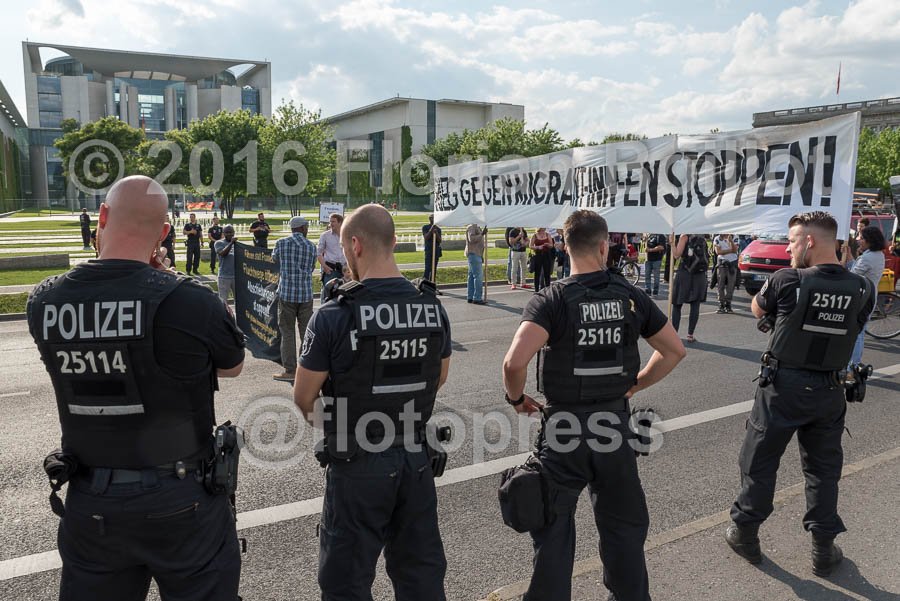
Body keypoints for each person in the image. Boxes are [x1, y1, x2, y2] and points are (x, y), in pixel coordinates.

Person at [26, 175, 245, 601]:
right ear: (163, 232)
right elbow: (232, 365)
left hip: (92, 499)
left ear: (102, 217)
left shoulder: (44, 302)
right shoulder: (190, 300)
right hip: (181, 497)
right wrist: (166, 278)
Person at [502, 210, 685, 601]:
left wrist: (516, 399)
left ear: (565, 246)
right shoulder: (630, 296)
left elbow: (514, 363)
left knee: (553, 528)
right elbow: (673, 350)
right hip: (614, 428)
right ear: (604, 247)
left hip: (564, 431)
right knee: (624, 530)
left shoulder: (551, 299)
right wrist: (636, 384)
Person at [293, 204, 452, 601]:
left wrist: (342, 425)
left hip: (358, 463)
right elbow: (438, 378)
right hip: (415, 459)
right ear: (394, 241)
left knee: (345, 583)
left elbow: (304, 397)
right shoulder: (432, 306)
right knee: (421, 578)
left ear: (355, 245)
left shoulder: (334, 315)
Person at [726, 211, 875, 578]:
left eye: (792, 241)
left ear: (809, 241)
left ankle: (745, 533)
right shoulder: (862, 288)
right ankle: (823, 549)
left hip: (783, 387)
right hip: (829, 389)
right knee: (823, 471)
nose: (788, 249)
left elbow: (758, 309)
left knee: (759, 462)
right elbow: (852, 328)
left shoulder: (787, 279)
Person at [271, 215, 316, 382]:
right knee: (306, 333)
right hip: (305, 294)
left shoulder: (281, 243)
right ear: (303, 228)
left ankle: (290, 370)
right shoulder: (311, 246)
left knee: (287, 332)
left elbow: (274, 259)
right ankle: (307, 368)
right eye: (307, 227)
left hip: (286, 294)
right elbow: (312, 267)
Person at [848, 226, 886, 368]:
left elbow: (852, 276)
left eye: (862, 238)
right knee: (860, 332)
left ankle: (854, 364)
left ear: (870, 240)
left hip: (862, 299)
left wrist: (848, 260)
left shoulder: (868, 257)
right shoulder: (877, 254)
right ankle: (855, 363)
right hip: (870, 296)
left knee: (856, 333)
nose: (859, 240)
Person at [671, 234, 709, 343]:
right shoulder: (701, 237)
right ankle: (690, 335)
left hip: (685, 273)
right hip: (699, 275)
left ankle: (674, 335)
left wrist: (672, 244)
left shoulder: (684, 236)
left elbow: (676, 255)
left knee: (677, 304)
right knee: (695, 305)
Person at [317, 213, 346, 301]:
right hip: (331, 270)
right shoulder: (325, 236)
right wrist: (324, 266)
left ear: (340, 222)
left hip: (345, 270)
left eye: (333, 221)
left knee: (345, 295)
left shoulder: (347, 235)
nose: (331, 224)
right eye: (330, 222)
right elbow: (318, 253)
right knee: (328, 295)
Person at [714, 233, 739, 314]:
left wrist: (731, 241)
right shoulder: (717, 238)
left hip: (732, 264)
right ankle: (721, 304)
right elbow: (718, 252)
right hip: (722, 264)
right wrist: (730, 250)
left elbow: (735, 250)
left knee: (730, 286)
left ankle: (728, 304)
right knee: (720, 285)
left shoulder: (735, 237)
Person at [214, 225, 238, 303]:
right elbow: (223, 254)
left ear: (234, 233)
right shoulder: (218, 243)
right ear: (223, 233)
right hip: (224, 277)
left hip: (236, 276)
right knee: (223, 301)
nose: (229, 234)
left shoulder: (237, 244)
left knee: (239, 300)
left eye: (231, 232)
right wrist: (231, 243)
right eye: (227, 232)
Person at [465, 223, 487, 304]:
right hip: (474, 253)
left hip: (476, 254)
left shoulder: (477, 226)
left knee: (471, 276)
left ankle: (470, 296)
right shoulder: (472, 226)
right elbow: (471, 239)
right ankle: (477, 298)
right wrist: (482, 234)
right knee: (478, 276)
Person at [644, 233, 666, 298]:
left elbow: (661, 247)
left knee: (656, 277)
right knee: (647, 275)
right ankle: (648, 291)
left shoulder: (660, 235)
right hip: (648, 259)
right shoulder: (649, 235)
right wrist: (645, 239)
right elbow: (646, 245)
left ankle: (655, 291)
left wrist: (650, 250)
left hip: (657, 259)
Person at [423, 214, 443, 284]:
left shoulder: (438, 229)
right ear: (429, 219)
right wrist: (431, 230)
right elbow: (426, 237)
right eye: (432, 218)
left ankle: (432, 283)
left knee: (434, 269)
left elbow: (440, 240)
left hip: (436, 251)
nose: (433, 219)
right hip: (429, 250)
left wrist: (436, 233)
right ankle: (425, 283)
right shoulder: (425, 227)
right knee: (428, 268)